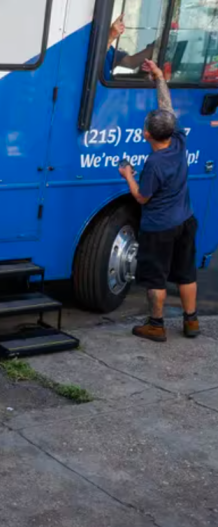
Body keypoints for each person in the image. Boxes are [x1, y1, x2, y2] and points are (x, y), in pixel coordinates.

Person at [118, 59, 199, 342]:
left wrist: (128, 175)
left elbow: (142, 197)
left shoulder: (154, 163)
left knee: (155, 278)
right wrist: (158, 77)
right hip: (185, 221)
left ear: (147, 134)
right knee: (186, 273)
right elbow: (167, 107)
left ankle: (156, 324)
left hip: (160, 228)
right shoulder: (178, 141)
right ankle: (191, 322)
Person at [105, 14, 154, 79]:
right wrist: (110, 37)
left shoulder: (108, 48)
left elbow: (130, 62)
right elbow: (95, 60)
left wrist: (155, 46)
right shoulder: (90, 41)